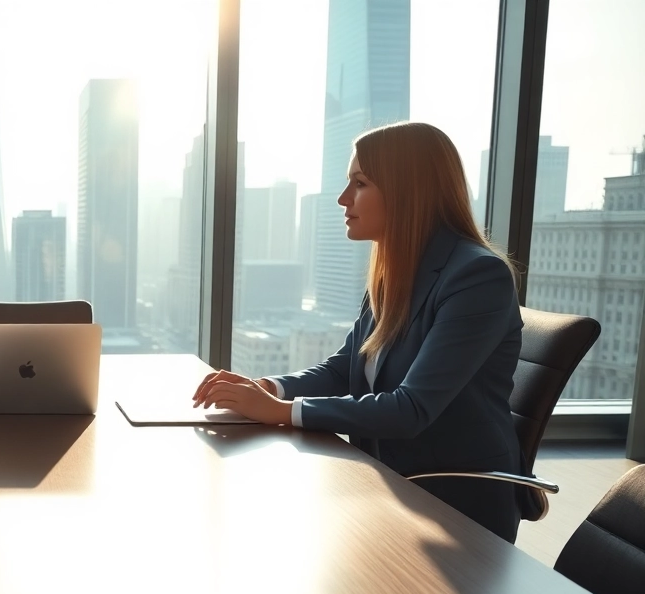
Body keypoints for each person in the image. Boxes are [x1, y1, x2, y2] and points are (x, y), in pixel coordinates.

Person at [193, 121, 531, 542]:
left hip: (452, 506)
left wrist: (280, 411)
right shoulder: (396, 271)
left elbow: (410, 409)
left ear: (408, 191)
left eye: (359, 183)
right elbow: (342, 370)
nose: (342, 199)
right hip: (385, 482)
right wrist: (267, 388)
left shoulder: (478, 276)